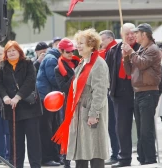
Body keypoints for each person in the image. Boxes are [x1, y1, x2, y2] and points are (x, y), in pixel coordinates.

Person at [53, 28, 109, 168]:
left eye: (81, 43)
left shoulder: (98, 64)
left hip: (91, 113)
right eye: (77, 43)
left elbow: (100, 91)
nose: (77, 46)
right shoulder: (83, 62)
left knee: (95, 151)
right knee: (81, 153)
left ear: (91, 45)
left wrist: (93, 114)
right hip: (79, 113)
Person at [0, 40, 43, 168]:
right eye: (8, 51)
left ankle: (35, 165)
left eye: (13, 50)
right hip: (12, 109)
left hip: (30, 108)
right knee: (16, 142)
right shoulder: (2, 66)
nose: (11, 53)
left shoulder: (27, 63)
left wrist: (18, 96)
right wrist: (5, 97)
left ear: (19, 51)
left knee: (33, 141)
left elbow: (30, 81)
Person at [122, 23, 162, 165]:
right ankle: (142, 158)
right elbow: (129, 71)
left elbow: (142, 64)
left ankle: (150, 159)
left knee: (146, 129)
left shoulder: (153, 49)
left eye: (137, 33)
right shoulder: (141, 49)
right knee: (140, 129)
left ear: (144, 34)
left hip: (149, 92)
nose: (134, 36)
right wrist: (126, 56)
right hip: (138, 93)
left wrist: (131, 53)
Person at [105, 23, 140, 167]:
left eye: (133, 33)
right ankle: (124, 157)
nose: (130, 36)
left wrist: (131, 52)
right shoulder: (114, 50)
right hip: (120, 92)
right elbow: (107, 71)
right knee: (121, 127)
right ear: (121, 35)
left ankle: (145, 156)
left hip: (138, 91)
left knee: (142, 125)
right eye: (127, 34)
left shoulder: (142, 48)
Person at [54, 38, 80, 168]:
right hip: (68, 102)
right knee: (67, 132)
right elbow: (63, 87)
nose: (71, 54)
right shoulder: (58, 68)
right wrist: (75, 75)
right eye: (67, 52)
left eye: (72, 51)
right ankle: (66, 161)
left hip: (80, 100)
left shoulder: (78, 61)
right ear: (61, 51)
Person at [36, 39, 62, 166]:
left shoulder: (51, 57)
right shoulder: (52, 59)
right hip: (46, 99)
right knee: (47, 129)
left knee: (54, 127)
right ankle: (47, 158)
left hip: (51, 98)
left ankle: (55, 156)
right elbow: (54, 79)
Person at [99, 30, 119, 165]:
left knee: (113, 125)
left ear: (110, 38)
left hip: (113, 93)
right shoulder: (109, 51)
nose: (101, 43)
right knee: (112, 125)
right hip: (110, 92)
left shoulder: (113, 50)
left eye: (103, 40)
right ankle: (116, 153)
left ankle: (116, 154)